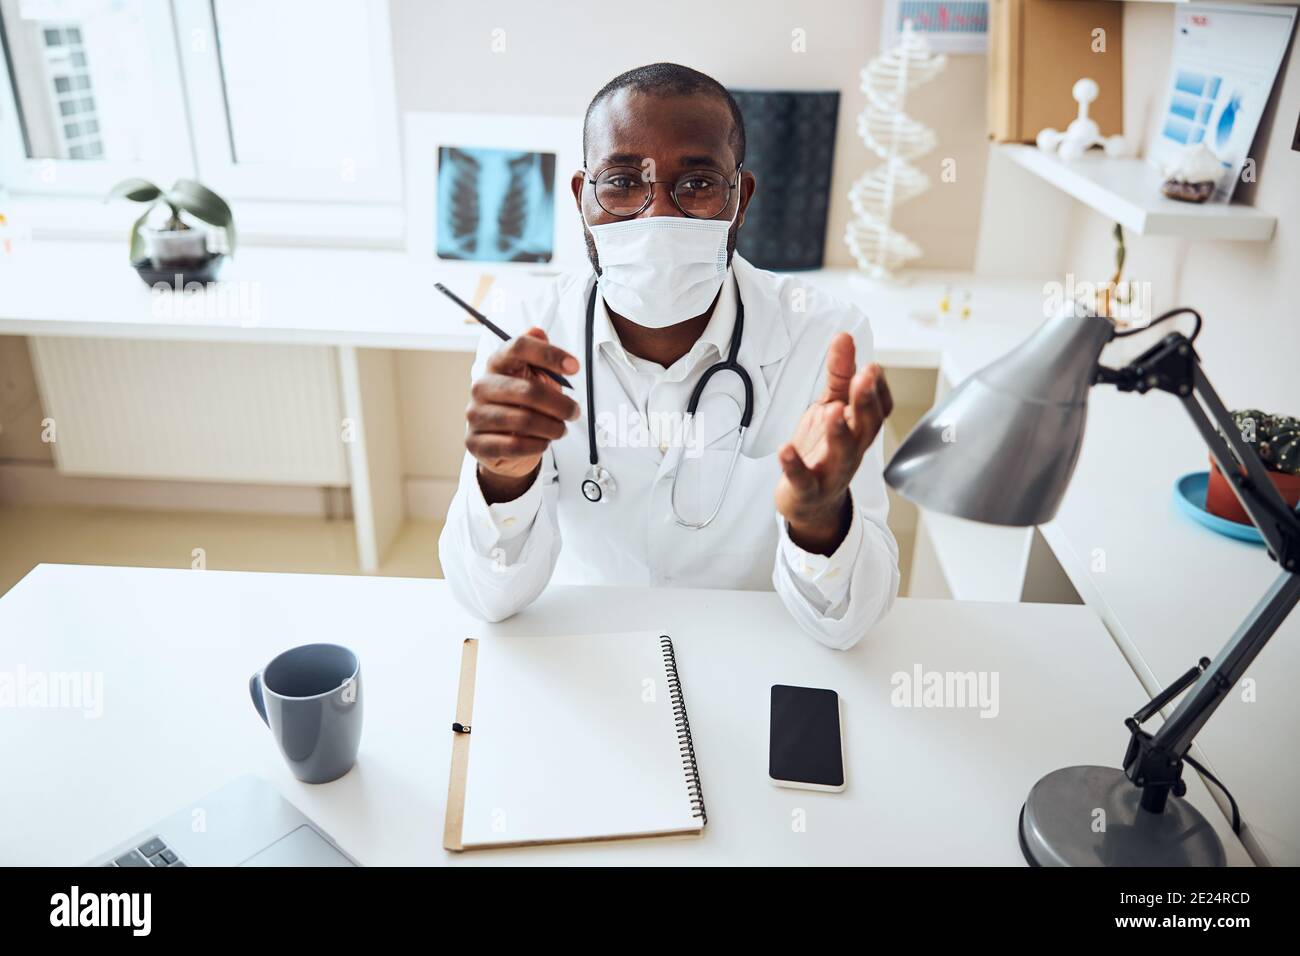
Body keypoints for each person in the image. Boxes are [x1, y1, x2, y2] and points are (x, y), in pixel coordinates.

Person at [438, 63, 899, 649]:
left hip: (751, 651)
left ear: (742, 198)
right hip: (586, 652)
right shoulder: (521, 334)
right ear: (582, 198)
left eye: (698, 185)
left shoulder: (824, 339)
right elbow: (488, 599)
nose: (656, 217)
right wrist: (502, 482)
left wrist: (821, 521)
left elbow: (849, 627)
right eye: (623, 181)